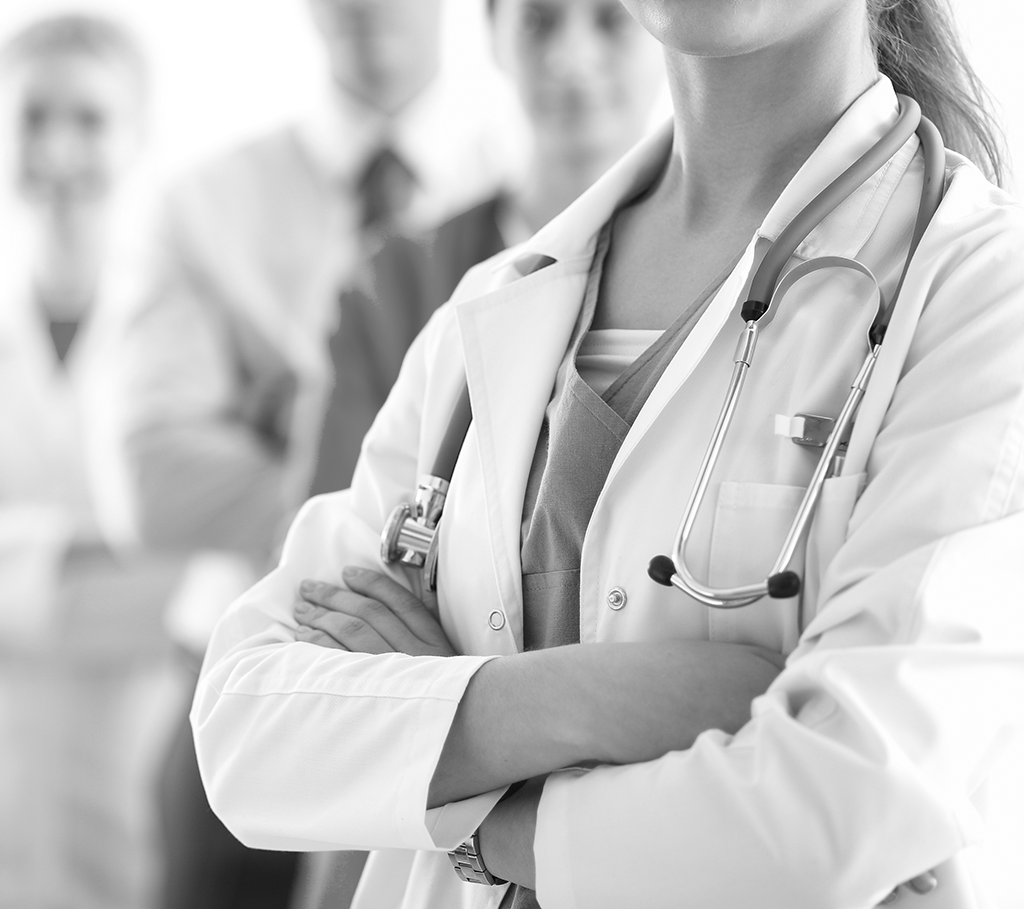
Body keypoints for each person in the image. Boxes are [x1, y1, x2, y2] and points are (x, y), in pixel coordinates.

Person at [193, 0, 1024, 907]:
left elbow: (832, 813)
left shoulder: (979, 294)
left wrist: (469, 801)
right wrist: (582, 697)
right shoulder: (497, 304)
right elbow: (244, 721)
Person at [112, 2, 515, 908]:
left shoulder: (549, 181)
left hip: (458, 677)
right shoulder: (201, 201)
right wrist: (394, 488)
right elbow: (153, 482)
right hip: (246, 672)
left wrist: (288, 414)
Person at [292, 3, 666, 906]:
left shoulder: (732, 279)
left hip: (631, 823)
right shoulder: (406, 278)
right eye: (540, 22)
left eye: (609, 22)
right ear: (492, 37)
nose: (574, 56)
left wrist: (448, 676)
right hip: (408, 799)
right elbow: (346, 593)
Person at [0, 14, 184, 909]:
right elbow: (167, 571)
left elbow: (211, 570)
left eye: (89, 118)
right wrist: (120, 563)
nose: (58, 146)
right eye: (32, 117)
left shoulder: (183, 327)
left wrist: (26, 572)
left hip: (143, 763)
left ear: (137, 136)